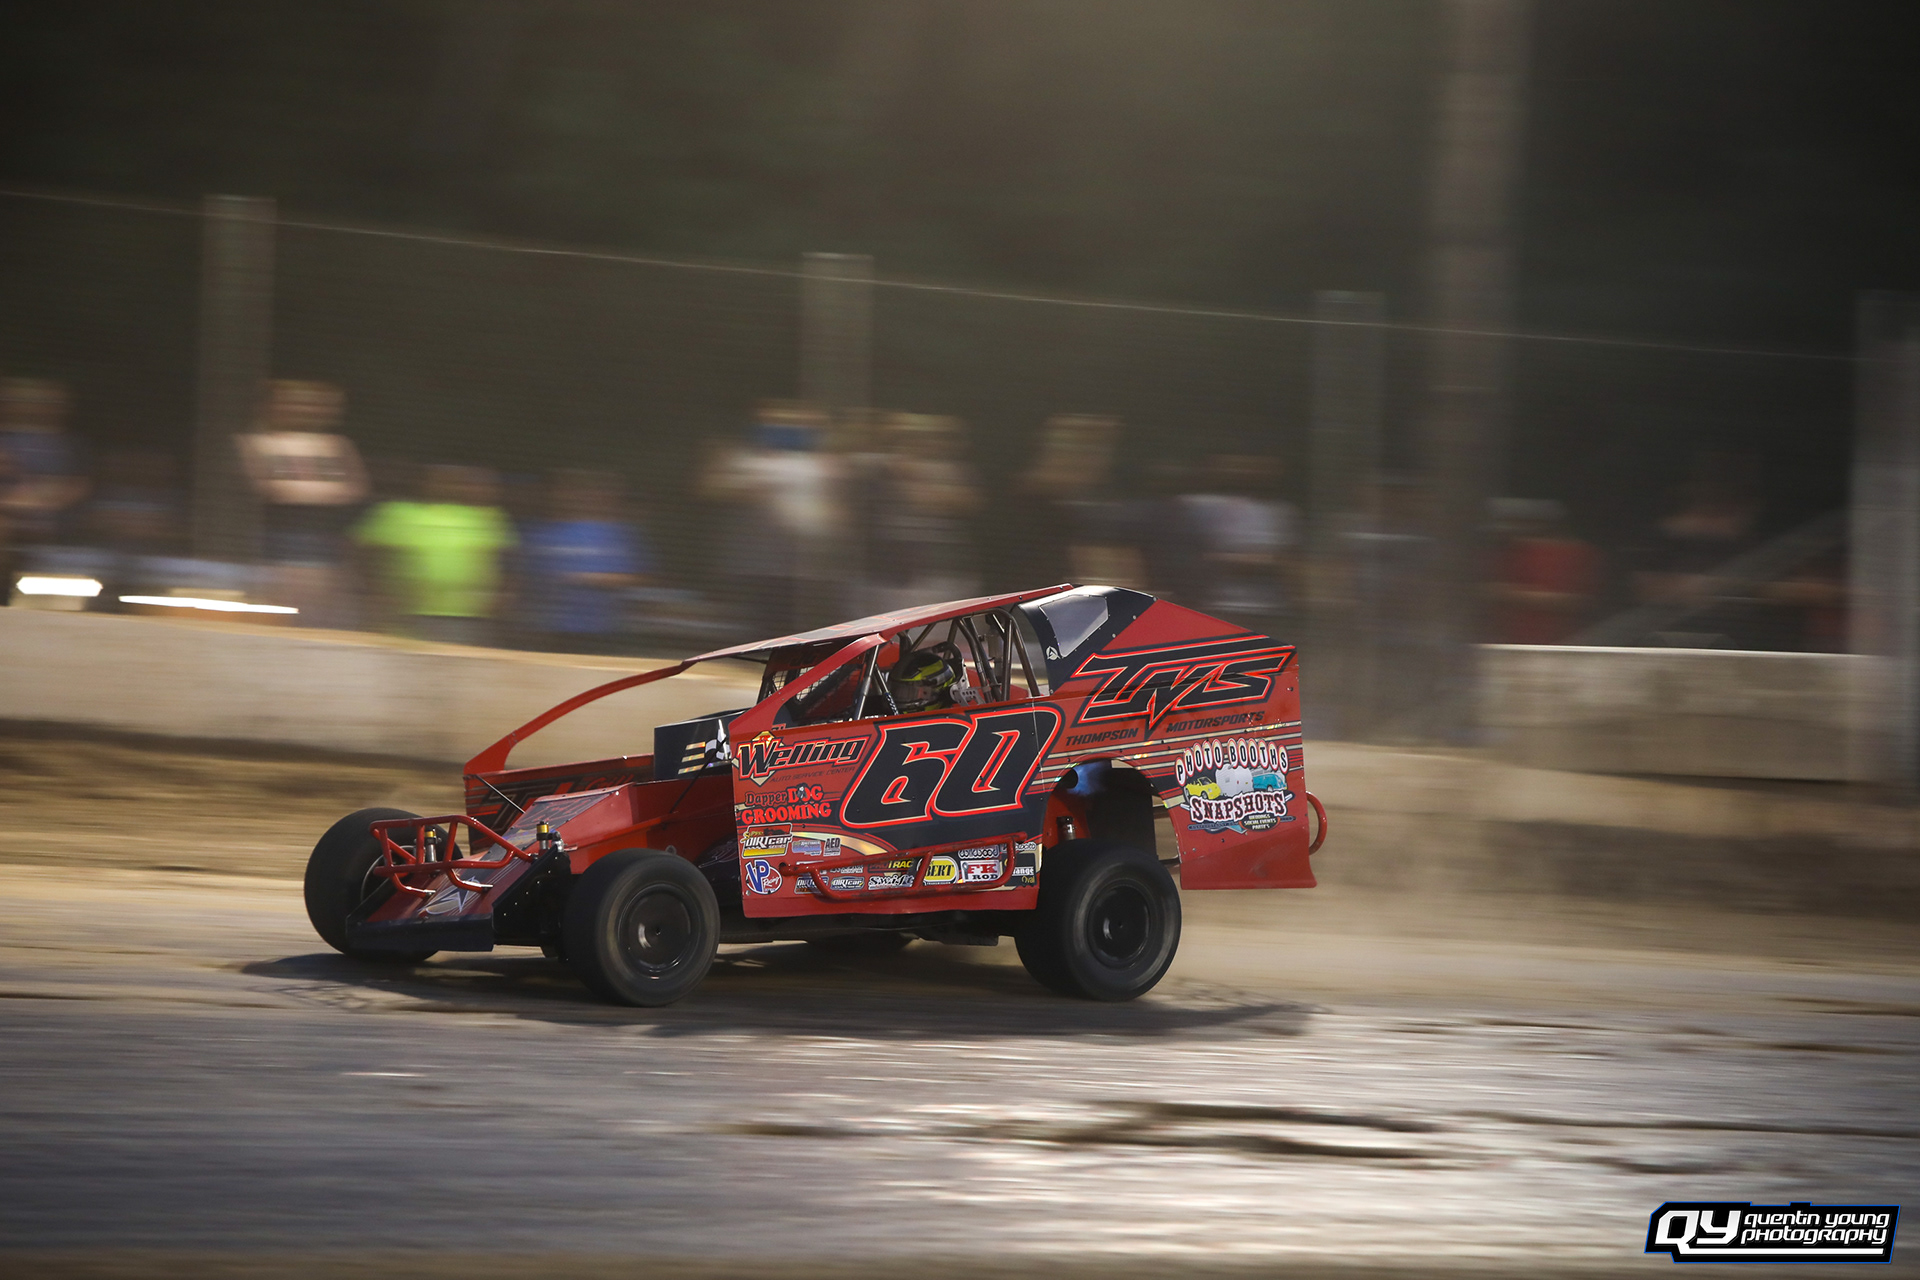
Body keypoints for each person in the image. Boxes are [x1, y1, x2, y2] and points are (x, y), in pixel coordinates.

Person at [700, 401, 841, 639]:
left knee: (801, 633)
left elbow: (835, 513)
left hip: (805, 568)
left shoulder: (821, 465)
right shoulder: (750, 460)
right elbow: (712, 488)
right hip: (759, 565)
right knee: (758, 632)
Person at [236, 380, 369, 629]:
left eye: (312, 403)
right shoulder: (253, 443)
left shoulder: (339, 446)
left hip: (327, 558)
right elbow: (265, 488)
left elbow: (355, 490)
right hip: (271, 556)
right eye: (294, 402)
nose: (304, 409)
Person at [354, 463, 515, 647]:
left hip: (467, 616)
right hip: (408, 613)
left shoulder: (486, 517)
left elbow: (509, 559)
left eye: (452, 480)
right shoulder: (397, 513)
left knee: (459, 670)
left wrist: (504, 595)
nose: (446, 484)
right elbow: (358, 547)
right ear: (425, 482)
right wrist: (372, 590)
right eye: (439, 479)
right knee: (408, 669)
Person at [855, 413, 981, 613]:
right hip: (890, 574)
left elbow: (967, 502)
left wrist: (917, 479)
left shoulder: (949, 470)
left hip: (941, 570)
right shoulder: (879, 467)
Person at [519, 469, 652, 654]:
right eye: (568, 490)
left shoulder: (620, 534)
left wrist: (589, 579)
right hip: (546, 628)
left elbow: (639, 577)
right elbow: (519, 578)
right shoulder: (540, 532)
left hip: (602, 628)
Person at [1179, 453, 1301, 634]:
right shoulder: (1204, 507)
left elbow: (1289, 561)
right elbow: (1198, 554)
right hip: (1222, 605)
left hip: (1267, 607)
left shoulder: (1283, 512)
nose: (1250, 474)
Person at [1485, 498, 1601, 645]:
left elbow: (1581, 601)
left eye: (1516, 522)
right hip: (1511, 642)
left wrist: (1510, 594)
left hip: (1562, 642)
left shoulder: (1576, 553)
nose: (1508, 529)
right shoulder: (1509, 553)